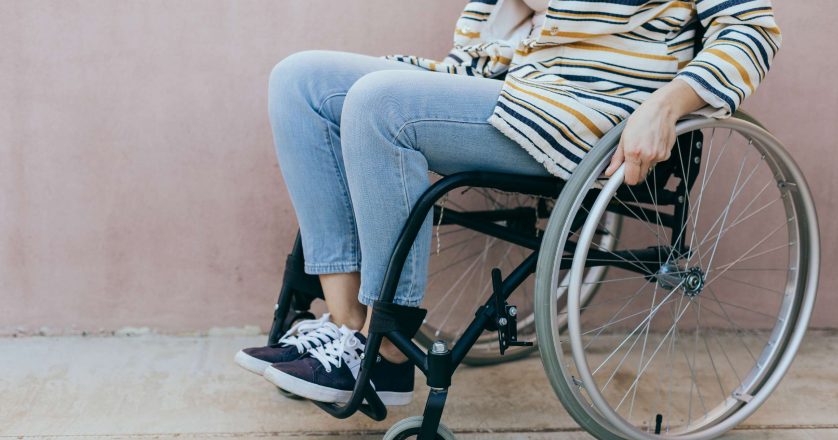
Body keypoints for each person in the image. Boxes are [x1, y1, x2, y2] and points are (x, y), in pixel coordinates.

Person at [235, 0, 781, 405]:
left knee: (379, 105)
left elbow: (752, 29)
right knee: (299, 80)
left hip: (592, 111)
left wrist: (668, 104)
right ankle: (350, 327)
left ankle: (389, 347)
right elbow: (486, 46)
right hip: (516, 89)